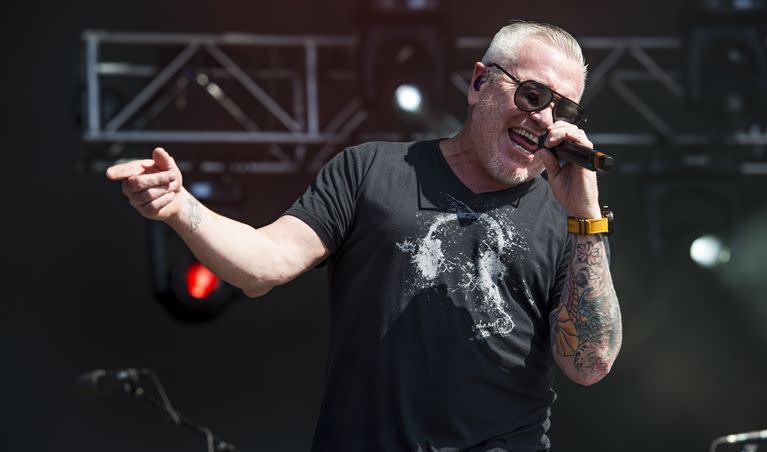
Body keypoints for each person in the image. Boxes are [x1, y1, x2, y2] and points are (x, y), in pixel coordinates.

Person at [107, 21, 622, 452]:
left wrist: (587, 220)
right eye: (532, 95)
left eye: (565, 109)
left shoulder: (570, 216)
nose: (545, 118)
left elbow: (590, 364)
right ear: (479, 83)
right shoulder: (372, 169)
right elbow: (263, 264)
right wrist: (181, 208)